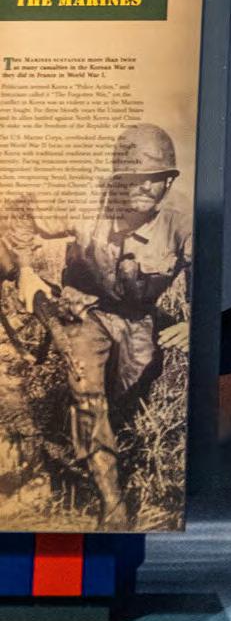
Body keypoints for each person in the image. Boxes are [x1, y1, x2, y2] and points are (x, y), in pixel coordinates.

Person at [11, 125, 191, 525]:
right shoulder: (85, 201)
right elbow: (21, 209)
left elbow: (213, 265)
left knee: (128, 394)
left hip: (138, 317)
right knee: (86, 390)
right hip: (86, 307)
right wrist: (26, 270)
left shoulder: (182, 219)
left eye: (157, 178)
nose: (146, 187)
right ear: (118, 178)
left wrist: (196, 319)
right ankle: (111, 500)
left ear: (169, 181)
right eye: (135, 178)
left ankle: (99, 430)